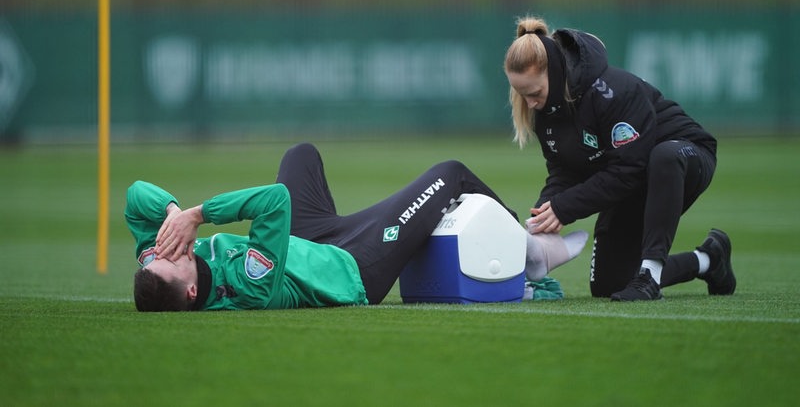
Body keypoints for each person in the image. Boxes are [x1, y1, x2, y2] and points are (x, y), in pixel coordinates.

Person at [127, 142, 588, 311]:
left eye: (163, 254)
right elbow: (274, 201)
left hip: (304, 244)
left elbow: (134, 198)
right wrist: (196, 215)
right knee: (450, 172)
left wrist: (169, 212)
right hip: (353, 268)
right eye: (177, 263)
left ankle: (528, 251)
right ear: (191, 293)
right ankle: (531, 252)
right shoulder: (247, 286)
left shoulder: (157, 262)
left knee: (300, 155)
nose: (175, 252)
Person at [502, 16, 736, 301]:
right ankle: (709, 260)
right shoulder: (546, 112)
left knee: (663, 157)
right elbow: (564, 171)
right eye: (522, 95)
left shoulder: (613, 93)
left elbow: (629, 169)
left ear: (556, 72)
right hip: (632, 177)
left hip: (685, 156)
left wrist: (565, 208)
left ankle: (650, 272)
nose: (530, 103)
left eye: (535, 93)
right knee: (609, 284)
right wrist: (541, 219)